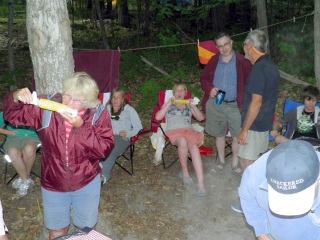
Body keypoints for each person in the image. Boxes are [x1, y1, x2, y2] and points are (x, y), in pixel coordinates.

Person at [2, 72, 114, 240]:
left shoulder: (98, 114)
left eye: (77, 100)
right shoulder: (46, 108)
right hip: (53, 184)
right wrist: (15, 97)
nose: (68, 102)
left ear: (87, 102)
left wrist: (81, 127)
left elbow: (103, 149)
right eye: (67, 95)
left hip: (86, 182)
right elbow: (11, 115)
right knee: (56, 232)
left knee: (86, 231)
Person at [232, 29, 280, 213]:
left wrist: (244, 129)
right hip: (263, 124)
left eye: (244, 44)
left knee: (247, 163)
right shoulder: (270, 66)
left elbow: (256, 102)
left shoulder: (259, 69)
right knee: (251, 163)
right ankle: (259, 200)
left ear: (250, 46)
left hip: (255, 125)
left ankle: (254, 204)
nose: (243, 48)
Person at [239, 140, 320, 240]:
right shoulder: (257, 172)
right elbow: (249, 198)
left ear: (319, 179)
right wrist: (262, 232)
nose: (290, 209)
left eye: (297, 198)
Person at [200, 32, 251, 175]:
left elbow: (249, 85)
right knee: (219, 134)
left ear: (231, 43)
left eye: (226, 44)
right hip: (217, 103)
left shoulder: (242, 62)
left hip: (236, 105)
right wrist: (209, 89)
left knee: (236, 135)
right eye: (220, 46)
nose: (224, 48)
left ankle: (235, 163)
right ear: (217, 47)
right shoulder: (214, 60)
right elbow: (203, 79)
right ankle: (221, 161)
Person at [155, 83, 206, 196]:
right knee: (182, 141)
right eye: (177, 90)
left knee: (194, 147)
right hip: (174, 131)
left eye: (182, 90)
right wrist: (168, 103)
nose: (179, 92)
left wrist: (193, 106)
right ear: (174, 93)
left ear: (185, 93)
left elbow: (201, 118)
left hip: (189, 131)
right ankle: (185, 172)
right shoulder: (169, 104)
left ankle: (201, 183)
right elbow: (158, 117)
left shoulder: (188, 105)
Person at [100, 88, 142, 184]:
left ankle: (103, 176)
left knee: (111, 149)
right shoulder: (106, 109)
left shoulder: (129, 110)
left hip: (120, 138)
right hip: (106, 136)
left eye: (118, 97)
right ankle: (92, 171)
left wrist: (128, 133)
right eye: (113, 97)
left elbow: (138, 127)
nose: (115, 99)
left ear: (123, 99)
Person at [0, 112, 40, 197]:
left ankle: (24, 178)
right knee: (13, 152)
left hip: (32, 137)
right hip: (13, 138)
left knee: (29, 149)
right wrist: (8, 133)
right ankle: (25, 179)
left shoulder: (33, 110)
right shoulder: (7, 111)